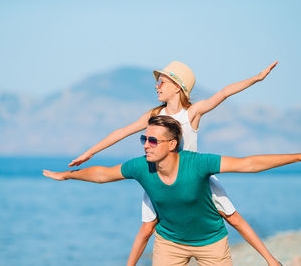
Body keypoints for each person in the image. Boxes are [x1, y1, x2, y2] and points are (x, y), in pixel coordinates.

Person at [43, 115, 301, 266]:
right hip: (169, 244)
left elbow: (249, 163)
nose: (146, 144)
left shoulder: (197, 164)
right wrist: (70, 176)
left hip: (211, 243)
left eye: (153, 140)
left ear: (172, 144)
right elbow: (104, 174)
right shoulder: (139, 167)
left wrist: (300, 156)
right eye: (144, 138)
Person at [69, 60, 282, 265]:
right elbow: (122, 132)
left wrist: (257, 78)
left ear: (178, 87)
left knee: (233, 218)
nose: (156, 86)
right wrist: (89, 153)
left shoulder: (192, 113)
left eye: (162, 82)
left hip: (195, 181)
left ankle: (271, 260)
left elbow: (224, 92)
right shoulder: (155, 115)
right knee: (146, 229)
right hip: (161, 180)